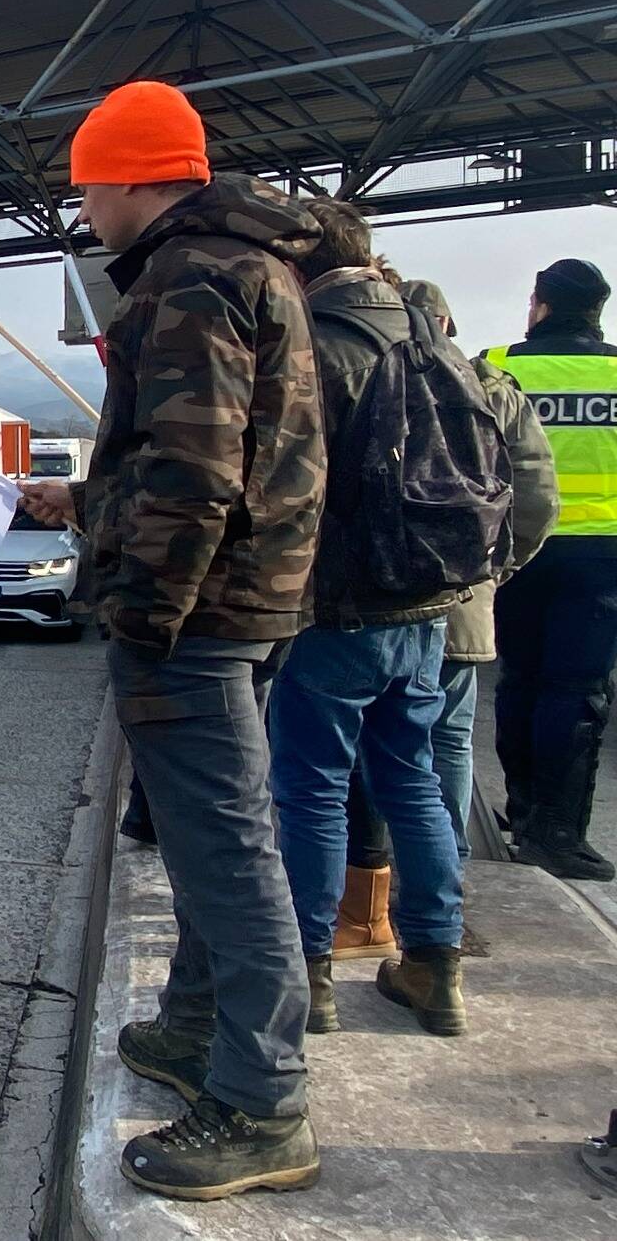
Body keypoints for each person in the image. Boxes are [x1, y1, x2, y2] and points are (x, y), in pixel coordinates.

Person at [18, 80, 324, 1201]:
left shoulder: (189, 279)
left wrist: (140, 614)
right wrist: (87, 500)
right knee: (211, 838)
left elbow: (194, 477)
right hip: (250, 600)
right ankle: (194, 1029)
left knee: (228, 850)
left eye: (89, 182)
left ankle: (259, 1101)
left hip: (192, 617)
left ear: (135, 174)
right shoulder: (246, 267)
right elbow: (192, 463)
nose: (82, 204)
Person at [265, 202, 478, 1040]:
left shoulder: (318, 348)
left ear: (303, 265)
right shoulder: (437, 343)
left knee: (311, 787)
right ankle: (435, 965)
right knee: (414, 779)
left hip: (340, 608)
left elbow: (281, 483)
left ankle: (310, 972)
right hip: (430, 606)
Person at [402, 278, 557, 860]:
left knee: (361, 743)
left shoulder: (356, 373)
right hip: (462, 598)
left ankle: (368, 878)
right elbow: (538, 497)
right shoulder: (492, 389)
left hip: (364, 602)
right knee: (449, 737)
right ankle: (448, 872)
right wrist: (497, 567)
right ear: (447, 326)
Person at [482, 258, 617, 881]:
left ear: (538, 304)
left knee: (521, 680)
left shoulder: (497, 365)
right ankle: (558, 832)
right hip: (600, 557)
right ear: (598, 310)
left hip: (514, 547)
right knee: (576, 690)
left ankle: (525, 808)